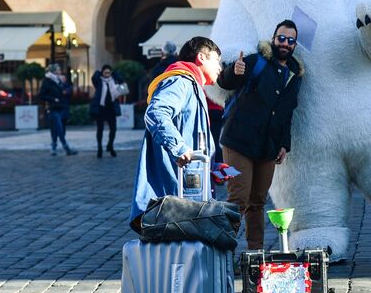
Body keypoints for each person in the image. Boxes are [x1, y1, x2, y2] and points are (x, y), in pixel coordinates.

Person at [216, 20, 303, 251]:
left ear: (295, 44)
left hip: (268, 147)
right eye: (281, 38)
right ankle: (224, 252)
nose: (285, 43)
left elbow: (287, 113)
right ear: (274, 39)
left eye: (290, 40)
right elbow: (224, 82)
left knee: (257, 203)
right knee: (238, 199)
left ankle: (255, 253)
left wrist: (284, 144)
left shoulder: (295, 75)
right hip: (239, 142)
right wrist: (233, 72)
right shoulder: (256, 62)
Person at [129, 36, 222, 230]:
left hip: (187, 189)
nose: (219, 67)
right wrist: (178, 147)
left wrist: (212, 167)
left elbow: (194, 138)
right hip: (172, 192)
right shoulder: (180, 81)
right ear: (201, 57)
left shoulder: (193, 85)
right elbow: (156, 113)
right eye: (216, 60)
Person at [39, 64, 78, 156]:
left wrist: (66, 89)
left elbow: (67, 89)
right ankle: (66, 147)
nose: (60, 71)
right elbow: (42, 95)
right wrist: (53, 99)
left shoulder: (59, 80)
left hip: (63, 107)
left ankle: (53, 147)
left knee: (58, 128)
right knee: (58, 127)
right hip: (53, 108)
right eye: (58, 69)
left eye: (59, 69)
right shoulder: (47, 81)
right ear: (53, 71)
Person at [89, 65, 123, 158]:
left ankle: (110, 145)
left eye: (109, 72)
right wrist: (100, 71)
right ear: (102, 73)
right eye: (105, 72)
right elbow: (94, 76)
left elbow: (122, 81)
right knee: (100, 130)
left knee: (113, 129)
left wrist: (114, 73)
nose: (107, 74)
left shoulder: (114, 81)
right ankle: (99, 148)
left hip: (111, 109)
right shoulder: (99, 81)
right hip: (101, 109)